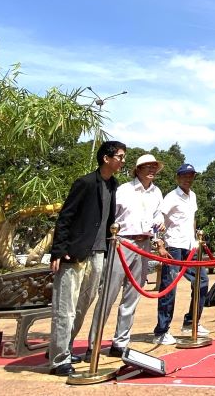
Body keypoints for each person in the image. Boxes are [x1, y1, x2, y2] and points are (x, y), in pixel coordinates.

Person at [47, 140, 124, 376]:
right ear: (106, 158)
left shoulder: (113, 185)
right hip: (75, 252)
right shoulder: (86, 182)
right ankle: (59, 360)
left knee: (82, 305)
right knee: (66, 307)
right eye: (120, 156)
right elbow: (65, 216)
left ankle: (65, 348)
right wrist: (58, 249)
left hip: (98, 253)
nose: (123, 161)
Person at [85, 153, 163, 360]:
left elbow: (158, 214)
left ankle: (120, 342)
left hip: (144, 244)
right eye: (147, 166)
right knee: (108, 295)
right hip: (122, 242)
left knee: (132, 296)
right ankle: (93, 344)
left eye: (154, 167)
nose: (152, 170)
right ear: (138, 170)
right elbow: (110, 216)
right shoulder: (124, 190)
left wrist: (159, 223)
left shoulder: (157, 192)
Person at [153, 163, 209, 344]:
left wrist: (195, 240)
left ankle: (191, 321)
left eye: (191, 175)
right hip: (173, 246)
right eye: (184, 176)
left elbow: (192, 219)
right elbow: (159, 217)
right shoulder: (171, 197)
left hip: (189, 246)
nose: (187, 179)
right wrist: (159, 242)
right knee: (169, 287)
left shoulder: (193, 196)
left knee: (202, 281)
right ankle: (161, 331)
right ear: (177, 178)